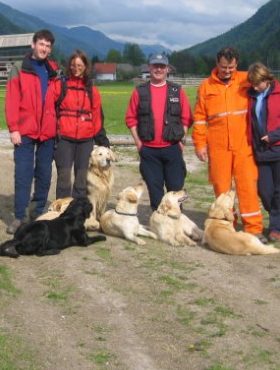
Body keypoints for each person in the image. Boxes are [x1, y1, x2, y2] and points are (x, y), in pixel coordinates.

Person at [192, 47, 266, 240]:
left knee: (247, 186)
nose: (227, 71)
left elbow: (271, 88)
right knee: (221, 188)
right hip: (217, 147)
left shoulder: (245, 79)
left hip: (244, 145)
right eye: (224, 67)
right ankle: (227, 225)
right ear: (217, 64)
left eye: (231, 67)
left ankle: (253, 228)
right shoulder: (206, 87)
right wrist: (200, 144)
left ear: (237, 65)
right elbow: (199, 119)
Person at [5, 29, 59, 234]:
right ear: (33, 45)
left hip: (47, 131)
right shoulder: (19, 68)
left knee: (44, 174)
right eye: (41, 44)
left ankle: (37, 212)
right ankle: (19, 217)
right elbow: (11, 100)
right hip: (25, 131)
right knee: (23, 174)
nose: (44, 48)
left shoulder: (53, 70)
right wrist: (14, 128)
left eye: (47, 46)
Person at [125, 53, 193, 211]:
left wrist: (181, 142)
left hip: (172, 148)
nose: (158, 69)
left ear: (167, 69)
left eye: (162, 66)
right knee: (155, 192)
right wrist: (139, 144)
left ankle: (176, 222)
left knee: (175, 189)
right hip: (148, 151)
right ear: (149, 68)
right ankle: (159, 223)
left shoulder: (177, 91)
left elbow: (186, 117)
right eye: (155, 66)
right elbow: (131, 119)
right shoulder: (139, 92)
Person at [246, 62, 280, 243]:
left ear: (267, 79)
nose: (255, 87)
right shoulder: (250, 95)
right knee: (265, 191)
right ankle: (276, 215)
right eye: (252, 84)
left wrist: (273, 136)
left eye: (258, 83)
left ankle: (276, 228)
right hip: (261, 150)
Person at [54, 50, 110, 199]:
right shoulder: (60, 86)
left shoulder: (92, 90)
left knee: (81, 180)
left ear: (85, 66)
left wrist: (102, 141)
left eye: (79, 65)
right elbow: (50, 111)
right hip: (64, 139)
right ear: (69, 66)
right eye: (73, 65)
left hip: (85, 141)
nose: (76, 68)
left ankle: (76, 214)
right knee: (64, 179)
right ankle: (62, 213)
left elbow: (97, 116)